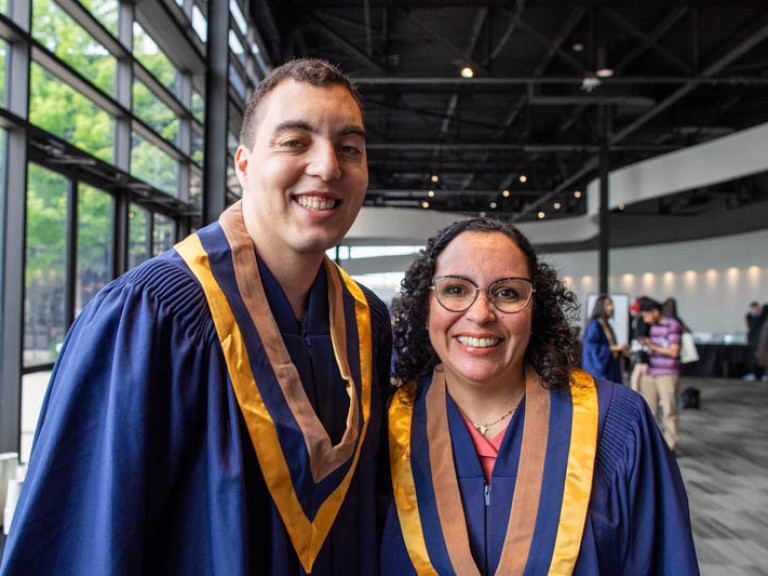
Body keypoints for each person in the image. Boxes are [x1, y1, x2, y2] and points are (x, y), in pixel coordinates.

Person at [0, 59, 392, 575]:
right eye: (295, 142)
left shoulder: (369, 324)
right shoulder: (152, 315)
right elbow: (83, 543)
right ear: (244, 166)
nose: (328, 166)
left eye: (350, 148)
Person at [380, 217, 699, 575]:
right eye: (455, 289)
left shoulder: (615, 424)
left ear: (536, 309)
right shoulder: (386, 428)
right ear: (426, 308)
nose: (481, 314)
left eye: (507, 293)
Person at [638, 296, 683, 452]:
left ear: (655, 312)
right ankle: (654, 446)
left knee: (669, 410)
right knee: (650, 412)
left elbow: (674, 351)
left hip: (667, 374)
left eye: (646, 315)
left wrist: (652, 346)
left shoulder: (672, 325)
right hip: (650, 373)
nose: (645, 319)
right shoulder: (651, 327)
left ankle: (670, 445)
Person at [581, 294, 630, 383]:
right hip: (600, 373)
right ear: (600, 306)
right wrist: (614, 348)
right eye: (607, 305)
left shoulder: (606, 324)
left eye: (611, 305)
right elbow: (592, 349)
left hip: (611, 369)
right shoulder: (594, 325)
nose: (611, 308)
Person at [744, 301, 764, 381]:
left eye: (757, 308)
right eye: (753, 308)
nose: (755, 310)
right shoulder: (749, 317)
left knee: (762, 359)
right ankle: (752, 374)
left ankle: (763, 374)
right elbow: (750, 328)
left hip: (761, 341)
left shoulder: (762, 317)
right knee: (752, 358)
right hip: (752, 341)